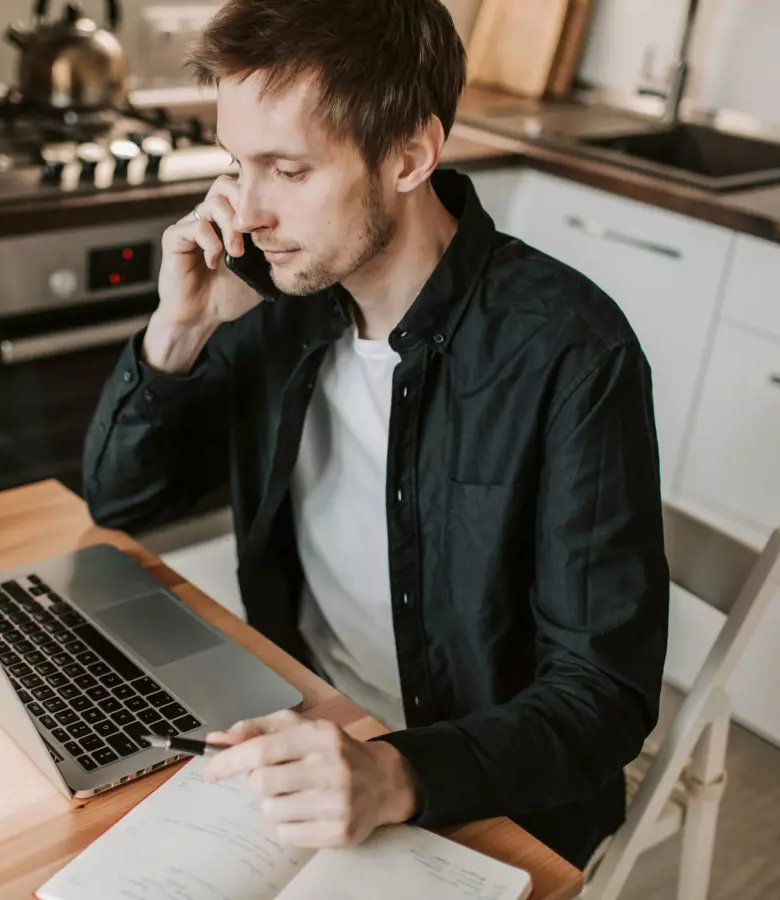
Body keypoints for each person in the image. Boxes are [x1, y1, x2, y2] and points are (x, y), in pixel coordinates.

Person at [82, 0, 668, 869]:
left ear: (409, 155)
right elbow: (121, 500)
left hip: (486, 792)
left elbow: (602, 698)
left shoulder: (571, 351)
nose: (247, 213)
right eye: (238, 166)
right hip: (301, 726)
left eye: (288, 170)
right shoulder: (269, 302)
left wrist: (394, 772)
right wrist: (177, 334)